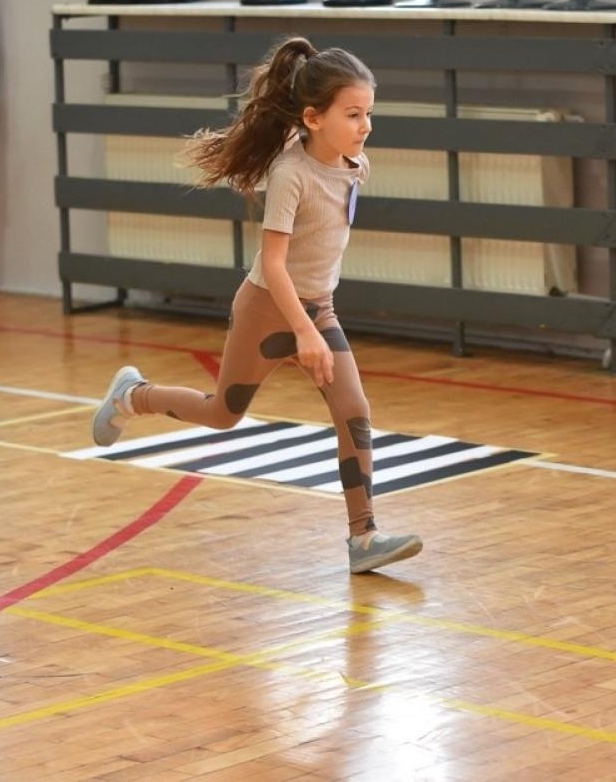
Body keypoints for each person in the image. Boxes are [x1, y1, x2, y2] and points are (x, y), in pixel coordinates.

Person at [92, 38, 423, 575]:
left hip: (318, 309)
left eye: (369, 113)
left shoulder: (355, 162)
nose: (366, 126)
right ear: (314, 118)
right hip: (268, 311)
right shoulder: (291, 174)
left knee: (355, 414)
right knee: (223, 414)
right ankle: (134, 395)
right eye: (354, 114)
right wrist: (305, 332)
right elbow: (273, 265)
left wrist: (316, 325)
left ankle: (363, 537)